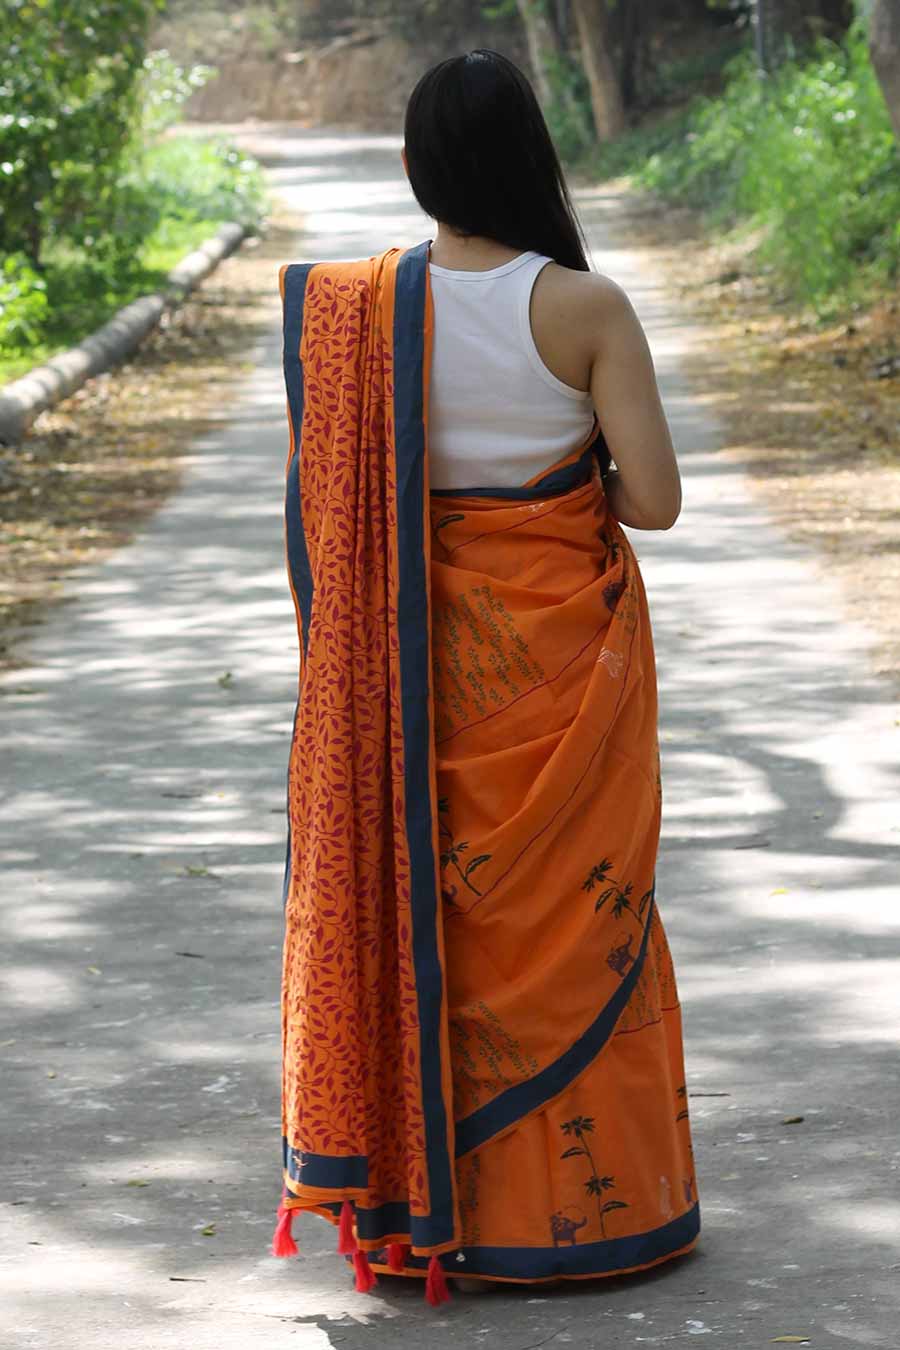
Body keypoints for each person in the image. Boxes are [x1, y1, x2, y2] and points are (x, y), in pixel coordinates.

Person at [271, 49, 699, 1305]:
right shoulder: (585, 307)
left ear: (417, 167)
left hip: (411, 678)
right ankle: (582, 1219)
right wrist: (560, 501)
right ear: (533, 156)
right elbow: (657, 503)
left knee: (428, 914)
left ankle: (422, 1209)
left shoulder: (361, 310)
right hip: (558, 670)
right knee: (580, 911)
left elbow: (332, 508)